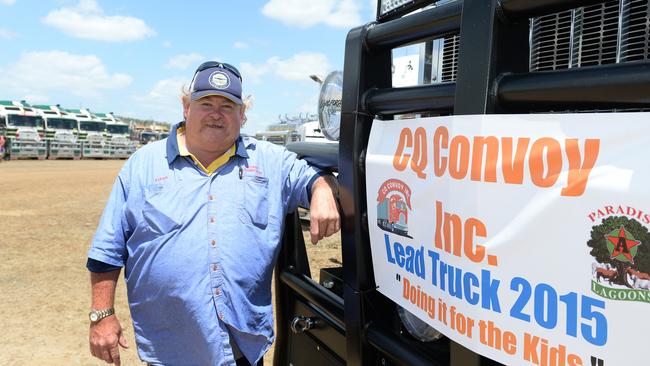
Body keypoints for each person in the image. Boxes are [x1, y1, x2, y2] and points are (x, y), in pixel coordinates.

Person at [86, 61, 340, 366]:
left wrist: (324, 188)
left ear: (242, 114)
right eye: (206, 102)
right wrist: (102, 315)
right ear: (186, 106)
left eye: (228, 105)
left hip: (242, 349)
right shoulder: (143, 165)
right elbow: (107, 250)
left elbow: (312, 177)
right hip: (170, 351)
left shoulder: (270, 161)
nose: (216, 113)